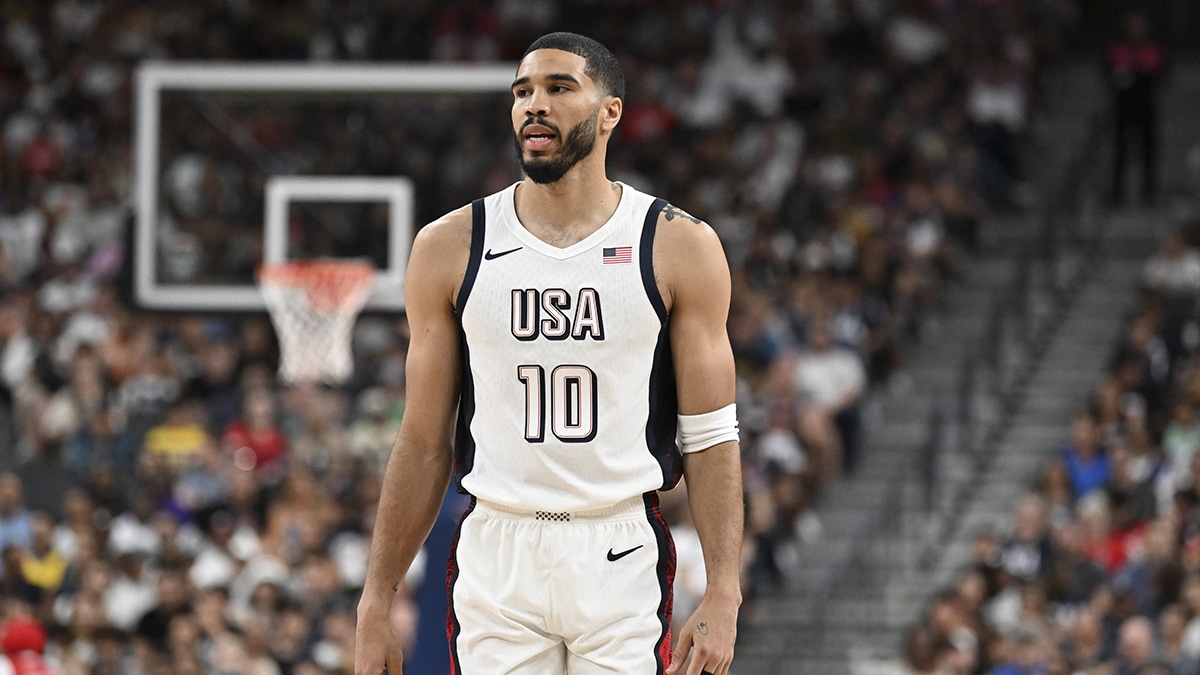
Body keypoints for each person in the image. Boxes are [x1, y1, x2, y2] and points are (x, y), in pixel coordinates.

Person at [354, 31, 743, 675]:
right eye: (523, 91)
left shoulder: (677, 244)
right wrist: (376, 599)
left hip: (618, 545)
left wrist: (724, 589)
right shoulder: (450, 245)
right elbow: (423, 441)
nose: (535, 104)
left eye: (560, 88)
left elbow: (711, 435)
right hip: (497, 544)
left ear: (610, 111)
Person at [1106, 10, 1165, 207]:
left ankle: (1149, 193)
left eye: (1139, 26)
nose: (1136, 30)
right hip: (1123, 110)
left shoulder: (1153, 49)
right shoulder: (1118, 49)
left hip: (1147, 108)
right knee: (1121, 152)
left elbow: (1162, 74)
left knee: (1148, 152)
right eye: (1133, 26)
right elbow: (1108, 74)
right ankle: (1116, 194)